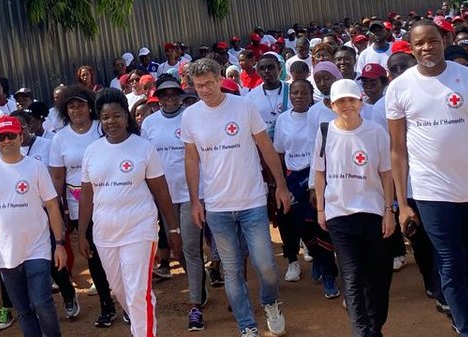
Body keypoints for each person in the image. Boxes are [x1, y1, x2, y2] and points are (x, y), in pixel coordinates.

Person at [385, 20, 468, 337]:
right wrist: (403, 203)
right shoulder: (399, 88)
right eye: (420, 43)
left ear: (444, 40)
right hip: (430, 192)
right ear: (411, 48)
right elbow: (397, 150)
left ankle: (465, 316)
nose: (427, 47)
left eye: (433, 41)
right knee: (450, 262)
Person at [182, 57, 291, 337]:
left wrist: (280, 184)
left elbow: (265, 147)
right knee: (231, 272)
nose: (204, 90)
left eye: (208, 83)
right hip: (217, 207)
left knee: (266, 266)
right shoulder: (191, 116)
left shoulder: (244, 107)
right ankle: (247, 325)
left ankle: (270, 302)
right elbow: (192, 160)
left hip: (252, 202)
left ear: (220, 80)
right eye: (198, 86)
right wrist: (195, 200)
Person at [79, 89, 181, 337]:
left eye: (116, 116)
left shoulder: (143, 148)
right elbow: (86, 195)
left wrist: (174, 228)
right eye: (105, 117)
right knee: (120, 289)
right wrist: (82, 233)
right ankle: (140, 325)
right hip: (105, 233)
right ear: (100, 120)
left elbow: (161, 192)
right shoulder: (92, 151)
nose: (111, 122)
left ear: (126, 116)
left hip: (139, 230)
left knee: (138, 293)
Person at [313, 78, 395, 337]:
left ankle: (375, 326)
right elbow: (318, 173)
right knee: (351, 276)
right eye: (340, 101)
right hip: (339, 215)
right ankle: (363, 332)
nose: (346, 105)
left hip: (372, 213)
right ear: (332, 105)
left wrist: (388, 211)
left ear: (360, 102)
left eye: (351, 100)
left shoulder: (376, 132)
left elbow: (386, 174)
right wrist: (321, 210)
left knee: (379, 276)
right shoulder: (325, 131)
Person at [0, 116, 69, 337]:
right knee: (24, 310)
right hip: (6, 254)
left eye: (11, 135)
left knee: (42, 303)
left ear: (20, 136)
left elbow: (53, 206)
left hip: (38, 248)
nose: (6, 141)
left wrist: (59, 244)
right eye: (1, 137)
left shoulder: (35, 168)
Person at [140, 74, 208, 330]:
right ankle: (199, 287)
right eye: (164, 95)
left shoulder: (192, 117)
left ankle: (195, 306)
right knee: (177, 248)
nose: (169, 99)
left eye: (173, 94)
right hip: (164, 198)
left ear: (180, 95)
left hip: (192, 193)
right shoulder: (149, 123)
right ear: (158, 98)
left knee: (190, 247)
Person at [48, 86, 117, 327]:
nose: (76, 109)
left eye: (80, 104)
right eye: (71, 106)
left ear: (90, 106)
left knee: (115, 252)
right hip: (80, 205)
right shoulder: (60, 138)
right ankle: (107, 305)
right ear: (65, 110)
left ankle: (128, 301)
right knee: (93, 255)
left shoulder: (102, 127)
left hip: (110, 197)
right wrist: (56, 207)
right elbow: (57, 177)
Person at [274, 78, 338, 296]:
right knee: (302, 227)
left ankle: (330, 274)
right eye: (294, 93)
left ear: (312, 95)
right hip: (293, 179)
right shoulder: (283, 120)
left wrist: (315, 181)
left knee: (322, 226)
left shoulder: (316, 115)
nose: (298, 96)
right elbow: (280, 152)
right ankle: (317, 258)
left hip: (316, 174)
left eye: (303, 93)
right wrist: (280, 182)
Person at [247, 52, 289, 136]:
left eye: (271, 67)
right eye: (262, 68)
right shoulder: (250, 97)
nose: (266, 71)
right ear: (258, 72)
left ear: (280, 68)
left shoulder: (293, 91)